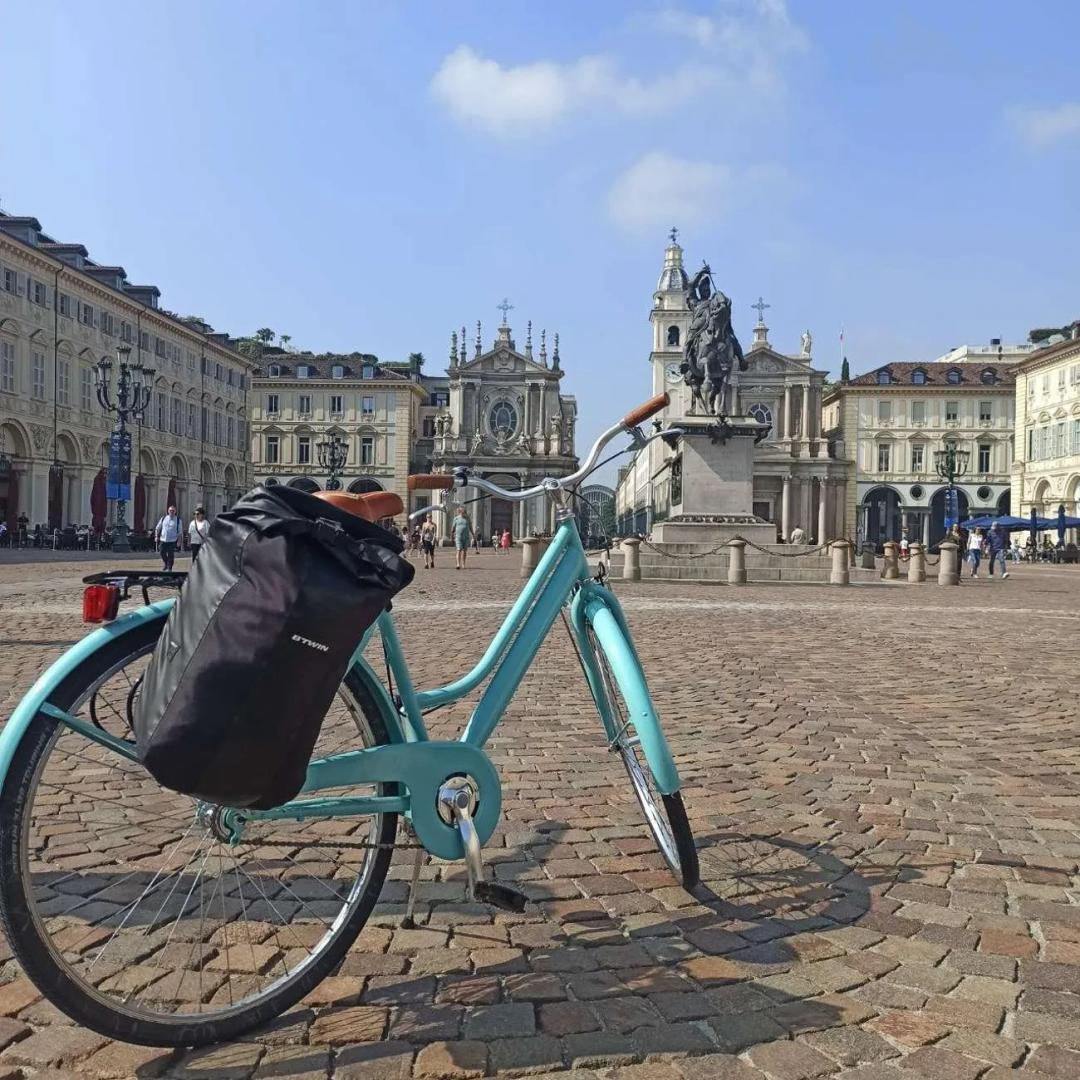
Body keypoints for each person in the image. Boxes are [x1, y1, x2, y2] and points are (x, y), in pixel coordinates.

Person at [155, 505, 182, 571]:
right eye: (170, 510)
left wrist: (179, 541)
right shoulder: (163, 518)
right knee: (162, 552)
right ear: (168, 511)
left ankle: (170, 567)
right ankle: (166, 563)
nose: (171, 512)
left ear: (175, 512)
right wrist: (156, 536)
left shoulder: (178, 520)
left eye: (173, 511)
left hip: (172, 540)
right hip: (163, 539)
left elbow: (180, 532)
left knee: (170, 555)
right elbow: (157, 528)